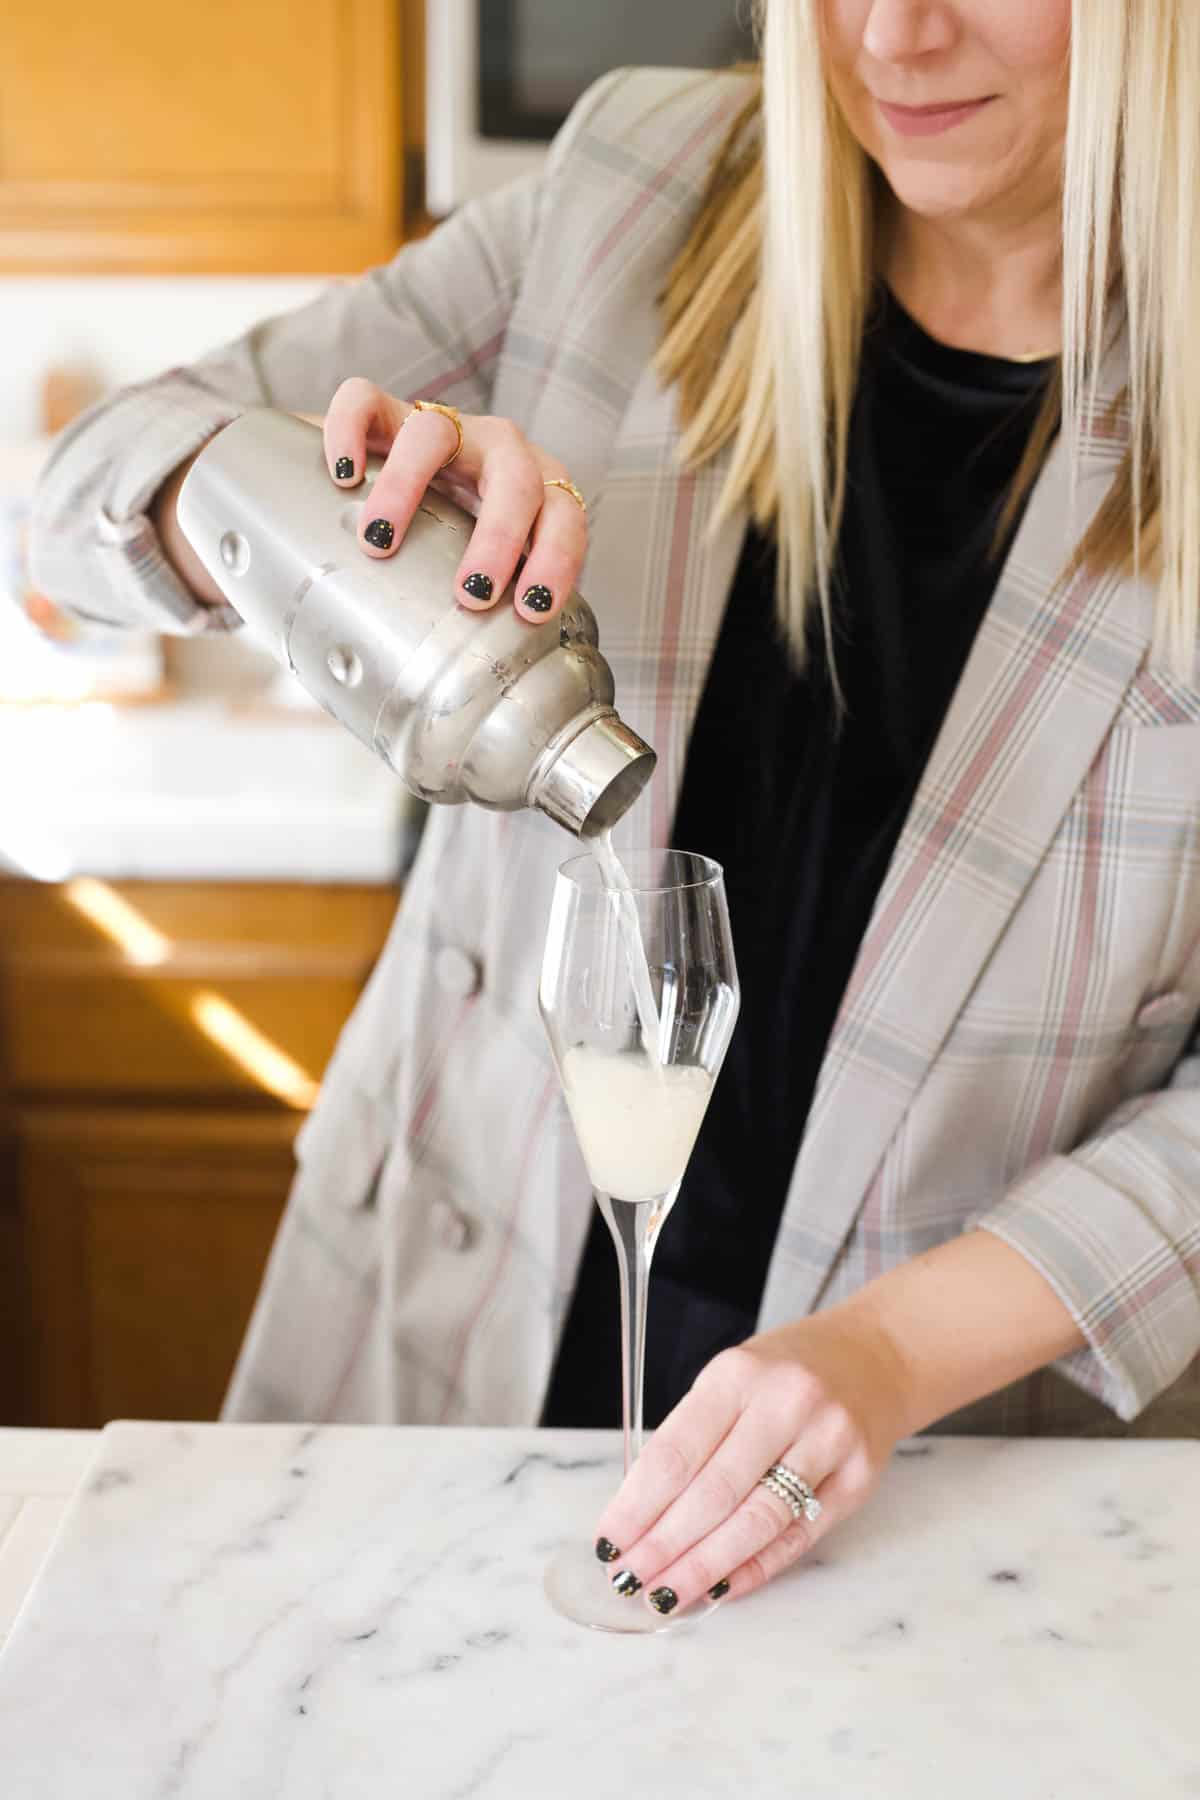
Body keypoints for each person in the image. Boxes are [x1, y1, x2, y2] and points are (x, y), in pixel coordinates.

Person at [29, 1, 1200, 1621]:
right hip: (430, 1373)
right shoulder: (637, 186)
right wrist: (319, 500)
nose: (895, 34)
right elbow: (71, 511)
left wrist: (884, 1353)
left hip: (907, 1481)